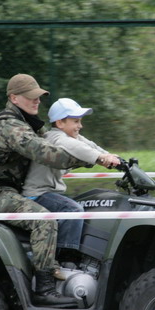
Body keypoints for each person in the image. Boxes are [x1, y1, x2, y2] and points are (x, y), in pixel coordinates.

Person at [0, 74, 90, 306]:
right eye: (31, 97)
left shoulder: (26, 122)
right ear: (14, 98)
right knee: (44, 220)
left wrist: (103, 154)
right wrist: (89, 159)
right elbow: (46, 153)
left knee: (73, 207)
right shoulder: (10, 126)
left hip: (14, 190)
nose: (37, 101)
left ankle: (68, 270)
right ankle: (44, 288)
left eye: (38, 97)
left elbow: (61, 141)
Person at [22, 98, 120, 263]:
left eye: (80, 121)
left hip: (49, 193)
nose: (80, 126)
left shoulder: (67, 136)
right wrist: (100, 158)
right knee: (73, 210)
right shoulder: (55, 138)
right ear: (60, 123)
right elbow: (77, 147)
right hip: (37, 194)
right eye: (76, 121)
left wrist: (113, 157)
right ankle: (65, 258)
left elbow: (89, 145)